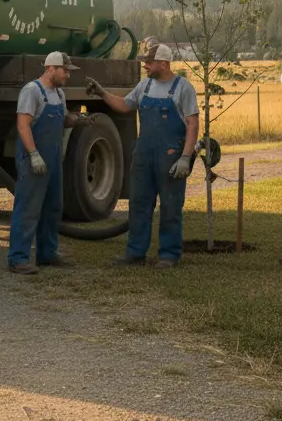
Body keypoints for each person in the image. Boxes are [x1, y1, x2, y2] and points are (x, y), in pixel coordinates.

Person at [85, 41, 200, 268]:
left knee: (170, 205)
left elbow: (193, 125)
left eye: (149, 62)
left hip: (170, 157)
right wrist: (101, 93)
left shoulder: (183, 88)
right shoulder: (144, 86)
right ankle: (135, 253)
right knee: (138, 203)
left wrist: (185, 157)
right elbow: (125, 105)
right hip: (144, 155)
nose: (145, 66)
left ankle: (169, 254)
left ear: (164, 63)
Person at [9, 51, 92, 274]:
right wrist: (33, 154)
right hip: (33, 157)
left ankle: (48, 254)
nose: (67, 75)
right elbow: (23, 125)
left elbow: (64, 119)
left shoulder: (59, 94)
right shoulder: (32, 91)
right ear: (50, 69)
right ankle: (18, 258)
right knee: (28, 207)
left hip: (54, 157)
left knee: (53, 207)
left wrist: (78, 121)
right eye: (64, 70)